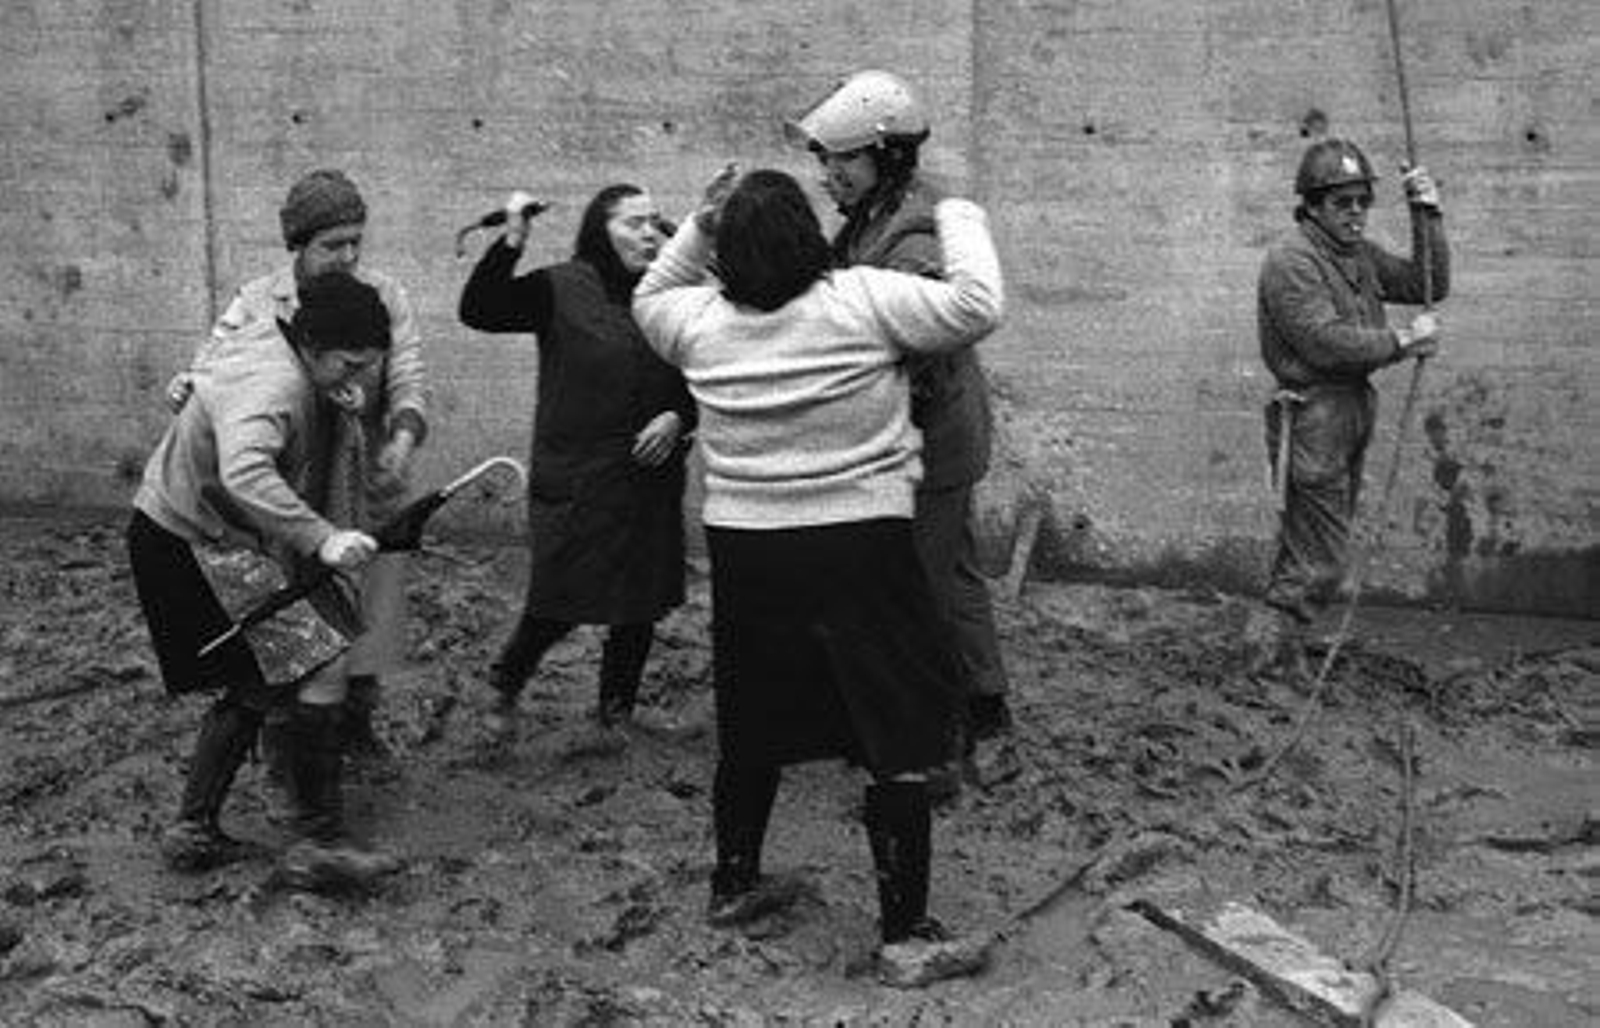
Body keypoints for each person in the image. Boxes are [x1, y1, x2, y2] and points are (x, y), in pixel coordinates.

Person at [633, 165, 1003, 985]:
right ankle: (906, 937)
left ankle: (734, 882)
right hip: (861, 542)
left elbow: (651, 293)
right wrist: (959, 212)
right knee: (897, 729)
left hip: (748, 547)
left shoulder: (696, 321)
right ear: (807, 239)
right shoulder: (861, 299)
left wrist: (699, 221)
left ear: (729, 253)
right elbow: (978, 306)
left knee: (753, 716)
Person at [129, 272, 403, 886]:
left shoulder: (279, 345)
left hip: (197, 531)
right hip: (187, 539)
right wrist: (323, 537)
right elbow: (247, 472)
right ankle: (316, 841)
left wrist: (336, 396)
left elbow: (211, 376)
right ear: (311, 347)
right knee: (311, 659)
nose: (356, 379)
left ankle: (194, 828)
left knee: (267, 676)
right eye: (349, 365)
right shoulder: (276, 383)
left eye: (367, 368)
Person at [786, 70, 1013, 760]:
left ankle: (930, 735)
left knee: (915, 589)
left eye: (843, 159)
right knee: (956, 573)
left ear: (886, 157)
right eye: (824, 159)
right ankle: (987, 707)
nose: (828, 174)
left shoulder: (914, 231)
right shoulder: (872, 218)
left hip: (927, 440)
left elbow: (917, 326)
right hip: (933, 434)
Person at [173, 168, 430, 764]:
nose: (346, 256)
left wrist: (402, 435)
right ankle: (293, 730)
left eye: (355, 243)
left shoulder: (384, 296)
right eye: (331, 245)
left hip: (366, 483)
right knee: (296, 614)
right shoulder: (259, 301)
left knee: (369, 612)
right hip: (286, 487)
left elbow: (410, 375)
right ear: (299, 244)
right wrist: (189, 383)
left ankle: (356, 720)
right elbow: (214, 366)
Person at [458, 184, 695, 738]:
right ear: (599, 229)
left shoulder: (671, 294)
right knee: (561, 596)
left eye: (654, 222)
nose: (647, 232)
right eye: (632, 222)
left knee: (641, 601)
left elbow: (704, 367)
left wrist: (679, 417)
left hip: (648, 477)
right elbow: (481, 310)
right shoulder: (560, 288)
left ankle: (615, 714)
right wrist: (513, 239)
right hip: (579, 476)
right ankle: (504, 683)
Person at [1257, 138, 1448, 656]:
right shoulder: (1291, 260)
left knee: (1315, 547)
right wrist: (1401, 341)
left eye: (1364, 201)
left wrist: (1425, 211)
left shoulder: (1357, 255)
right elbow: (1324, 341)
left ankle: (1281, 650)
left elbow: (1425, 282)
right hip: (1315, 409)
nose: (1357, 213)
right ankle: (1266, 655)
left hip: (1350, 407)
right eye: (1343, 203)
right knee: (1318, 555)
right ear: (1313, 207)